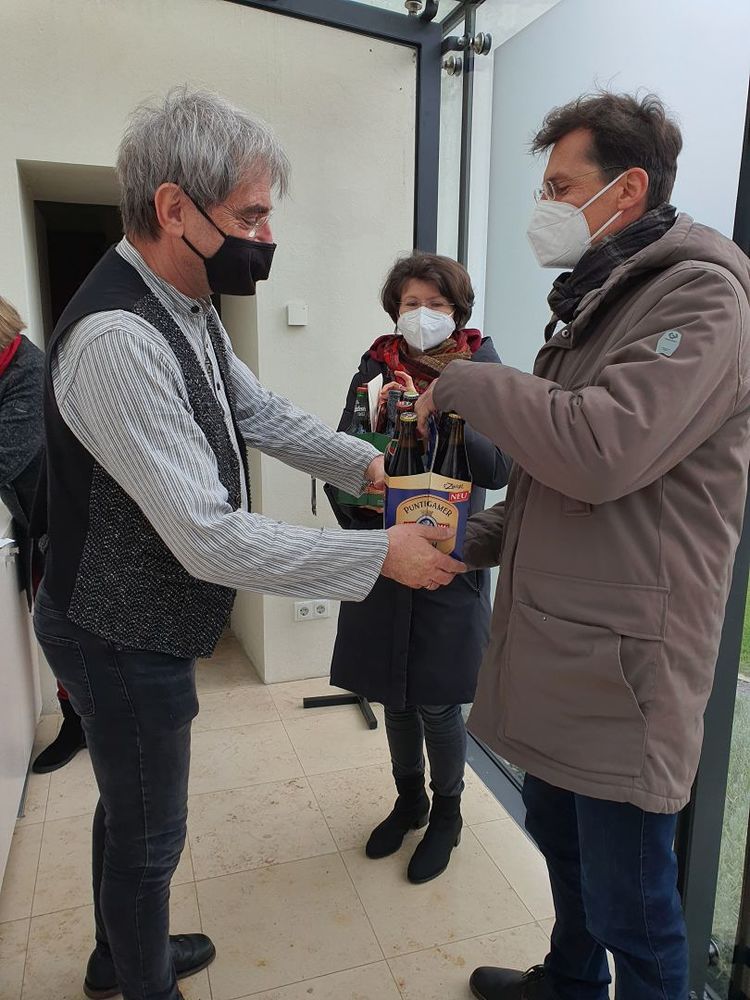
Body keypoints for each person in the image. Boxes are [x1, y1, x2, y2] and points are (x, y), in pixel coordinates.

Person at [32, 86, 465, 1000]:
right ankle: (142, 981)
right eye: (251, 216)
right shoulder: (118, 340)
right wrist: (376, 555)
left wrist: (366, 466)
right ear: (174, 209)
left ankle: (117, 955)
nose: (267, 237)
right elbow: (207, 538)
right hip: (113, 627)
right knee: (152, 834)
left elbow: (256, 410)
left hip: (133, 616)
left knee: (128, 804)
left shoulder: (183, 303)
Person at [415, 91, 750, 1000]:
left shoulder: (702, 297)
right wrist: (471, 540)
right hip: (568, 648)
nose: (545, 207)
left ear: (628, 188)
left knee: (634, 907)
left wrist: (468, 383)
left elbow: (600, 448)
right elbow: (552, 482)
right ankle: (568, 981)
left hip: (627, 667)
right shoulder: (603, 301)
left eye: (561, 187)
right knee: (561, 845)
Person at [327, 253, 510, 884]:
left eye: (436, 305)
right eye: (411, 304)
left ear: (458, 312)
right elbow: (345, 451)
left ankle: (447, 814)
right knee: (393, 695)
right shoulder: (375, 366)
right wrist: (363, 530)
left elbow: (499, 469)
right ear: (394, 311)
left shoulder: (482, 369)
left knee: (436, 701)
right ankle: (409, 801)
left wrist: (444, 408)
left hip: (448, 556)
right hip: (384, 553)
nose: (422, 315)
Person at [0, 296, 85, 773]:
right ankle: (82, 722)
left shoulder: (28, 373)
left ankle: (83, 724)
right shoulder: (11, 367)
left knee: (67, 633)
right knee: (59, 631)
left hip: (66, 525)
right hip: (39, 520)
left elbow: (5, 456)